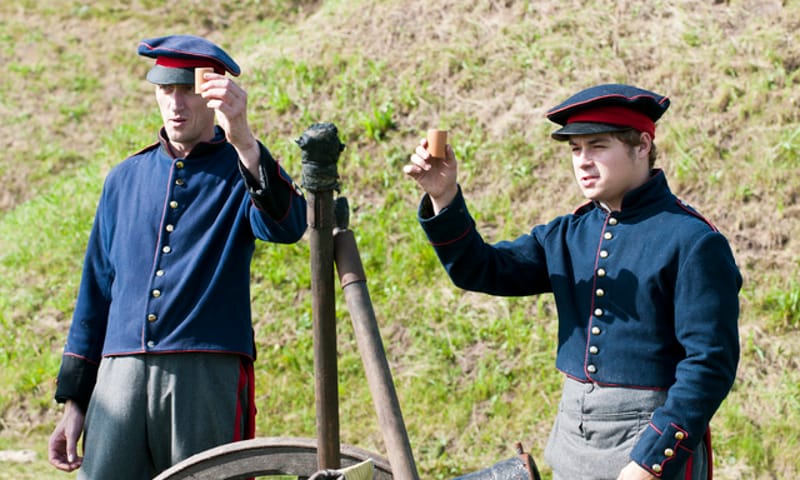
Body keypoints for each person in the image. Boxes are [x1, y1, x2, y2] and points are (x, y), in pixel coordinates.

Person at [404, 84, 741, 480]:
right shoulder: (569, 233)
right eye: (575, 150)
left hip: (647, 445)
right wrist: (444, 197)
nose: (583, 161)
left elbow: (709, 364)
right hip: (571, 442)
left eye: (598, 146)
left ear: (642, 145)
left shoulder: (693, 241)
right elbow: (481, 268)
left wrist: (652, 460)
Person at [47, 35, 307, 479]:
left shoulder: (240, 168)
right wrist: (76, 402)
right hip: (118, 378)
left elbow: (288, 226)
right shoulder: (123, 179)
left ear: (214, 93)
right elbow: (96, 291)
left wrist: (243, 137)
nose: (176, 103)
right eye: (166, 90)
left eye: (188, 89)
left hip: (205, 376)